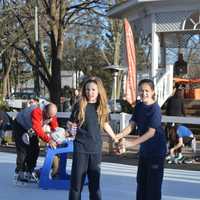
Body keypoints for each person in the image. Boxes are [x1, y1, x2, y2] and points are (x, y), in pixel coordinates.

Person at [116, 79, 166, 200]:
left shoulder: (155, 109)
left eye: (147, 90)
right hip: (145, 152)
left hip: (156, 153)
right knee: (141, 183)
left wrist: (130, 144)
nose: (144, 93)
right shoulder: (139, 106)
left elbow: (150, 133)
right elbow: (132, 124)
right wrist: (120, 135)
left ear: (153, 92)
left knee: (153, 187)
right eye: (141, 90)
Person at [68, 76, 117, 200]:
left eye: (93, 90)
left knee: (94, 186)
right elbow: (71, 123)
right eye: (88, 89)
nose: (90, 92)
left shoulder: (102, 107)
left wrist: (115, 138)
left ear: (98, 91)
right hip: (80, 148)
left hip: (95, 149)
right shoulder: (79, 106)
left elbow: (105, 124)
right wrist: (70, 128)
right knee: (76, 184)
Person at [13, 103, 58, 182]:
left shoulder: (51, 113)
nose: (50, 118)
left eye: (52, 116)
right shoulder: (37, 111)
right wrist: (49, 140)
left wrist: (57, 136)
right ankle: (20, 172)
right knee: (23, 150)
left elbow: (55, 127)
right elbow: (37, 129)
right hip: (20, 125)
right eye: (49, 115)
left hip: (31, 127)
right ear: (44, 110)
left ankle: (30, 171)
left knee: (35, 149)